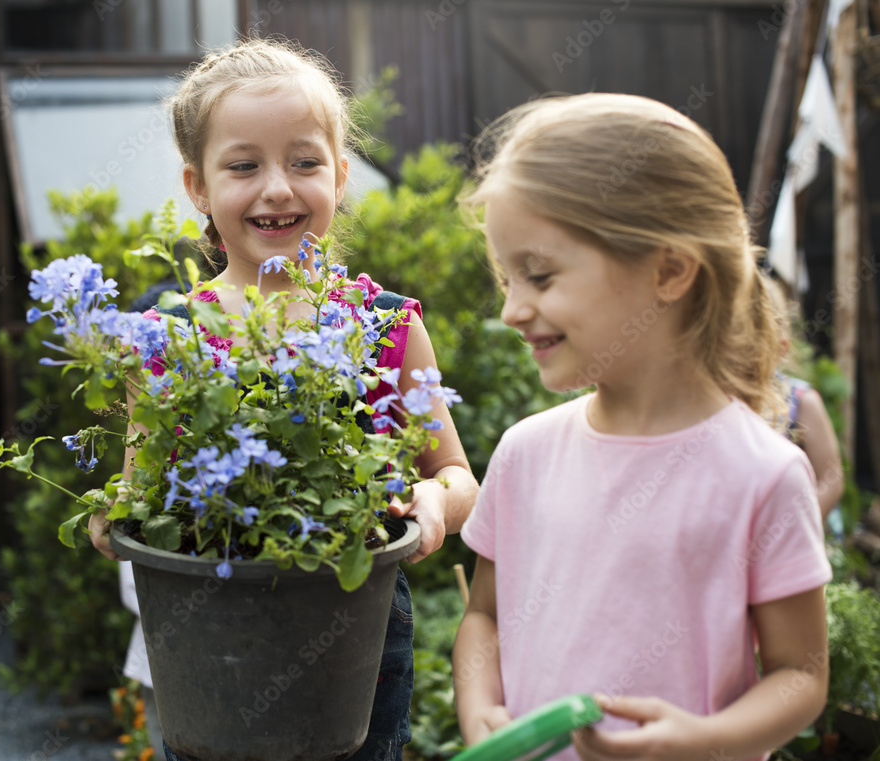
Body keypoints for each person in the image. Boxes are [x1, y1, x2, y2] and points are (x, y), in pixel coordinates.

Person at [88, 38, 479, 761]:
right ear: (197, 186)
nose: (277, 187)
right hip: (211, 648)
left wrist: (434, 501)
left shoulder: (386, 325)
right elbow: (140, 489)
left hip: (354, 648)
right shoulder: (168, 337)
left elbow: (459, 477)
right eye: (243, 165)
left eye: (305, 162)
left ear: (340, 175)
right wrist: (113, 513)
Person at [452, 93, 831, 761]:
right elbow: (484, 616)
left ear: (669, 269)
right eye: (507, 278)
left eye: (538, 275)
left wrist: (706, 739)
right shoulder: (526, 454)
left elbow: (800, 674)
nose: (512, 309)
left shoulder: (761, 473)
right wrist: (480, 704)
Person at [765, 276, 844, 525]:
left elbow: (831, 479)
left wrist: (797, 526)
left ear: (782, 346)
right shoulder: (718, 401)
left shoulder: (801, 402)